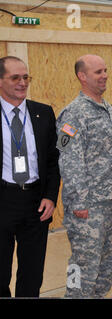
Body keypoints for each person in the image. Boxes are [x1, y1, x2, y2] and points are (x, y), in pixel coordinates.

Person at [57, 54, 112, 298]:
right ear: (82, 76)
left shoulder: (108, 110)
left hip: (109, 202)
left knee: (107, 266)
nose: (105, 75)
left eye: (105, 70)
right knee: (82, 264)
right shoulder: (72, 114)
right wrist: (78, 201)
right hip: (87, 206)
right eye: (98, 72)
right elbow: (68, 159)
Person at [0, 56, 60, 297]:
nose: (22, 82)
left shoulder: (42, 113)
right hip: (3, 200)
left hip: (36, 203)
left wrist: (50, 196)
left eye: (26, 77)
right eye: (15, 78)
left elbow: (53, 161)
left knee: (32, 272)